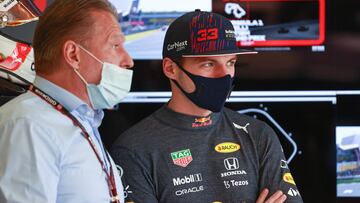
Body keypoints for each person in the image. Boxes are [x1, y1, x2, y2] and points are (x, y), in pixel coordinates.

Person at [111, 10, 303, 203]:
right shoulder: (134, 150)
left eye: (230, 62)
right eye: (208, 64)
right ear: (171, 68)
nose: (224, 74)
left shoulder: (258, 135)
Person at [0, 0, 133, 202]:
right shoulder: (29, 125)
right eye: (115, 45)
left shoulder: (81, 120)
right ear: (73, 54)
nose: (128, 60)